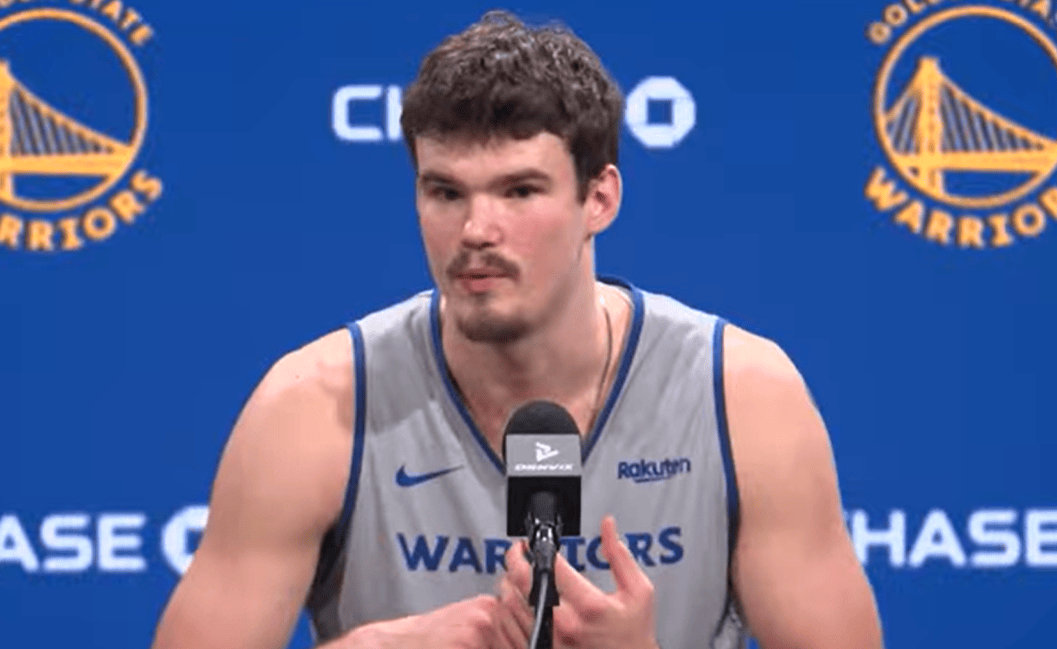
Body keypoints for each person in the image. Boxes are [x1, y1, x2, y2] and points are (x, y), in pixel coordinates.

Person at [150, 10, 883, 649]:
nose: (475, 229)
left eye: (519, 190)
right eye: (445, 192)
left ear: (599, 198)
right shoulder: (312, 407)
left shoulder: (743, 397)